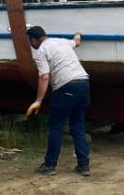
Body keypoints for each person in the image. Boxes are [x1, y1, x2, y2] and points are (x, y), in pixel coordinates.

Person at [25, 26, 91, 177]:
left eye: (30, 41)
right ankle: (84, 165)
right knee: (78, 127)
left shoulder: (42, 51)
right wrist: (79, 34)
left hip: (66, 87)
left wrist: (38, 101)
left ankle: (49, 165)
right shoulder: (62, 42)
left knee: (56, 127)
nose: (31, 44)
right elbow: (76, 42)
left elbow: (44, 77)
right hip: (84, 84)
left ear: (34, 40)